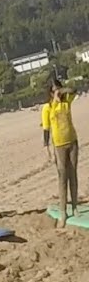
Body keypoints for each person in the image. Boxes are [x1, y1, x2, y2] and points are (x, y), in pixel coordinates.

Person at [42, 78, 79, 226]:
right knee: (62, 176)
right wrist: (47, 148)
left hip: (72, 142)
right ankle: (63, 211)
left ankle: (75, 206)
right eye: (54, 90)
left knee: (73, 174)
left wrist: (62, 91)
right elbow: (46, 129)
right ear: (50, 93)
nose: (57, 92)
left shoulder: (67, 102)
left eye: (59, 89)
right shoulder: (48, 108)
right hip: (59, 145)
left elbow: (74, 90)